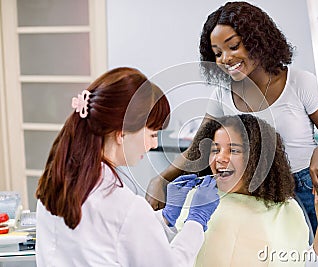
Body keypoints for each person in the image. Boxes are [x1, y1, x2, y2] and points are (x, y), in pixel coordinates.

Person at [145, 2, 318, 266]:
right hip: (261, 191)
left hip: (310, 188)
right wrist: (161, 179)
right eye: (217, 52)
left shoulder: (300, 83)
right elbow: (198, 148)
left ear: (258, 40)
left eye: (233, 46)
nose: (225, 58)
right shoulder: (222, 94)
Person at [35, 67, 219, 267]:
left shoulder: (55, 183)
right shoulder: (124, 206)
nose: (154, 145)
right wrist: (195, 223)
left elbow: (113, 240)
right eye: (152, 134)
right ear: (121, 133)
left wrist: (164, 218)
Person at [176, 114, 318, 266]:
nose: (220, 158)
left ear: (258, 158)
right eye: (215, 150)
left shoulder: (286, 212)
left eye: (233, 150)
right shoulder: (197, 201)